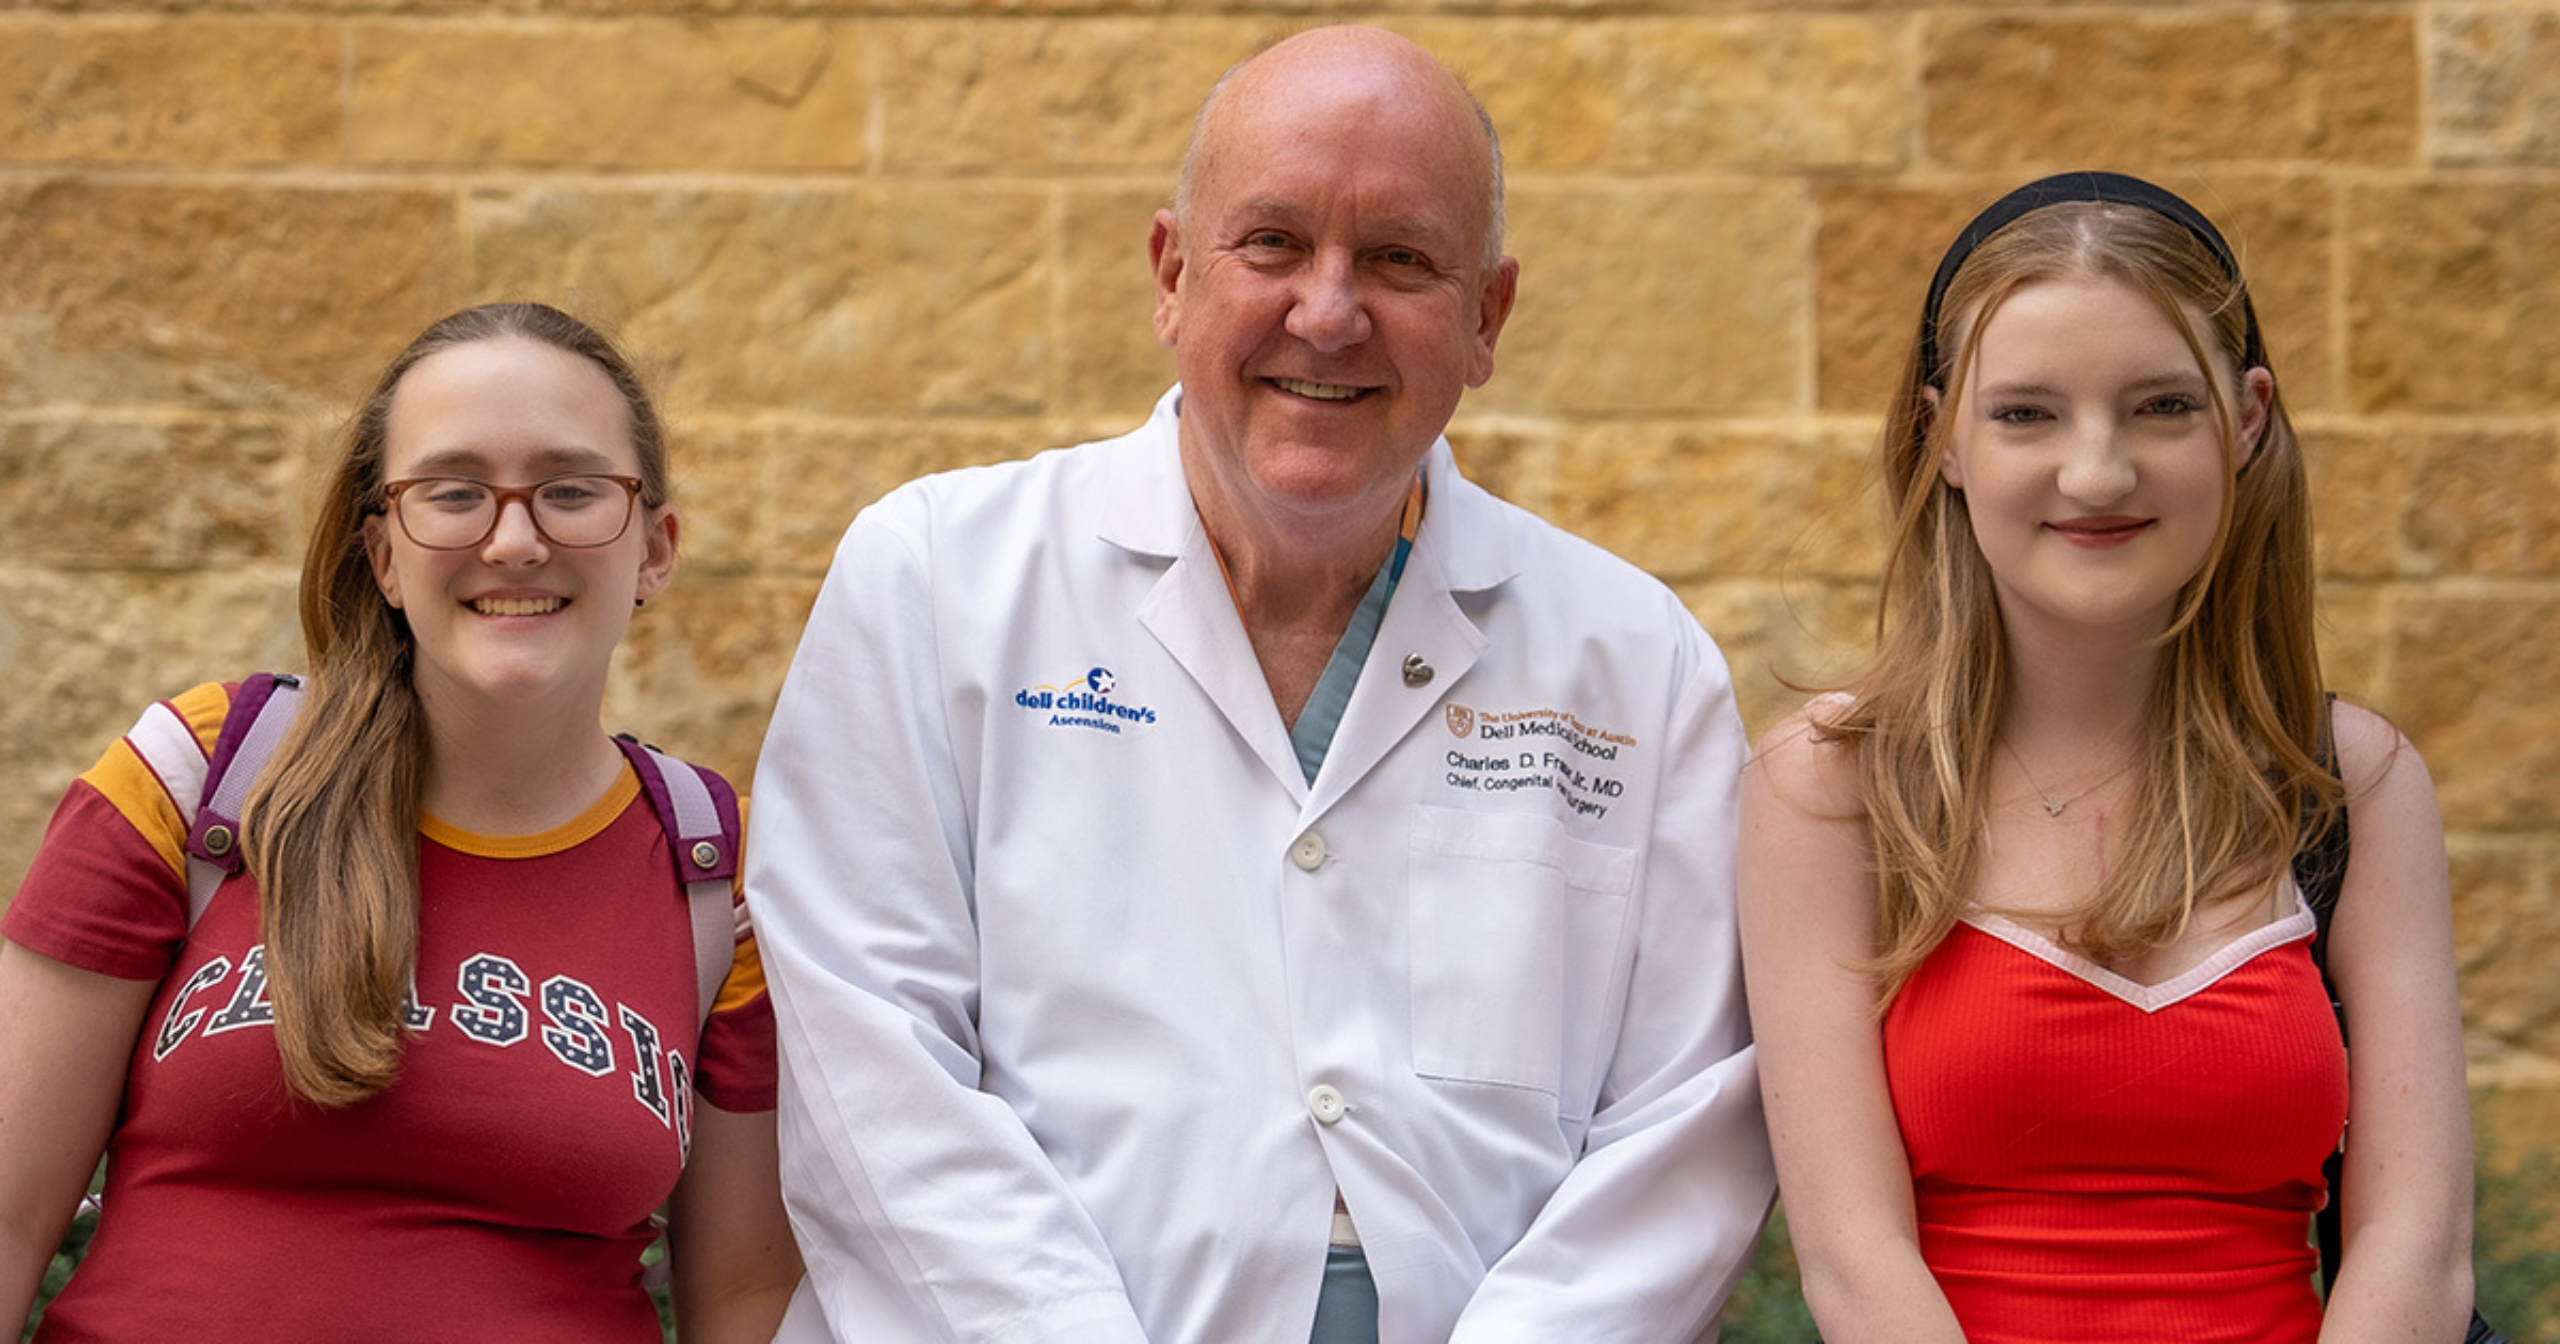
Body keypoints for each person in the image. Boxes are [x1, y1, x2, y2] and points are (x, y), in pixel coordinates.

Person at [747, 25, 1773, 1344]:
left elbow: (1679, 1131)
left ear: (1487, 319)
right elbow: (871, 1066)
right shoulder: (937, 579)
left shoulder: (1635, 662)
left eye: (1402, 259)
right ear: (1173, 274)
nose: (1328, 313)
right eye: (1273, 243)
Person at [1737, 173, 2476, 1342]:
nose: (2097, 473)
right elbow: (1851, 1260)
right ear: (1943, 440)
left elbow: (2415, 1255)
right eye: (2026, 413)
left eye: (2160, 408)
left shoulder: (2349, 784)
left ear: (2245, 419)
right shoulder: (1830, 787)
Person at [0, 302, 801, 1341]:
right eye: (455, 492)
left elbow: (744, 1297)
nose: (515, 540)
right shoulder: (200, 779)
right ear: (382, 553)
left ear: (654, 549)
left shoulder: (717, 873)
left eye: (570, 490)